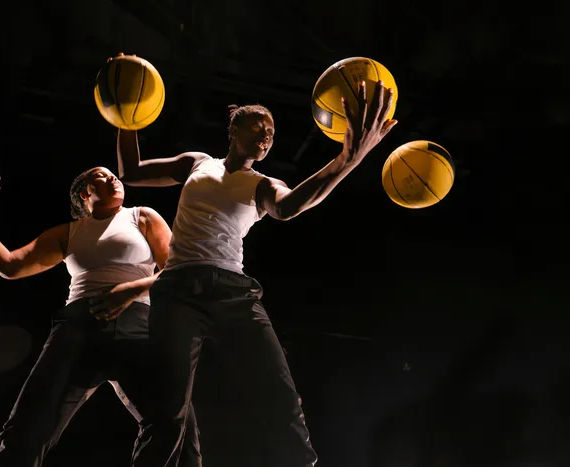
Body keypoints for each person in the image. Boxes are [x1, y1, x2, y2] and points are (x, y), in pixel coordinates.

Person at [115, 49, 398, 467]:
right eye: (257, 125)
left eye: (271, 130)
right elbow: (131, 171)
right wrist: (124, 115)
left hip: (232, 293)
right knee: (167, 410)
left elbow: (290, 207)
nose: (266, 133)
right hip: (178, 292)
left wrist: (347, 159)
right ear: (234, 130)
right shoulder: (197, 164)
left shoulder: (264, 184)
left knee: (280, 395)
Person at [0, 166, 201, 466]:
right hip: (79, 328)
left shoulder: (141, 216)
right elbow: (9, 265)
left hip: (139, 326)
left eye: (113, 174)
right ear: (84, 192)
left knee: (176, 430)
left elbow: (178, 271)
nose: (112, 177)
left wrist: (130, 291)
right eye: (100, 175)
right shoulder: (70, 232)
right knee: (29, 426)